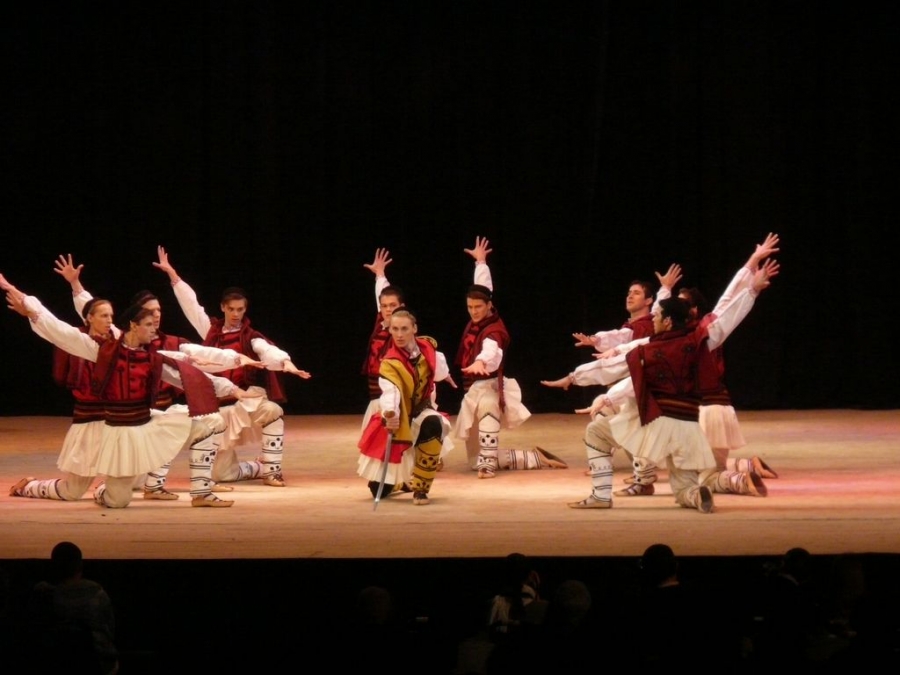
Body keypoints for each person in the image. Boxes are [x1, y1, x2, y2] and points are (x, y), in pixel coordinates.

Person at [2, 273, 258, 507]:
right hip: (111, 429)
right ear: (134, 326)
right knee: (86, 494)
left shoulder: (150, 355)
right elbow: (61, 331)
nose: (154, 329)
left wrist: (233, 379)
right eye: (148, 324)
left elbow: (186, 367)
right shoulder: (103, 351)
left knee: (210, 421)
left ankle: (201, 493)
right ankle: (37, 486)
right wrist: (28, 307)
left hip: (142, 425)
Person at [566, 243, 779, 512]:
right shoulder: (703, 334)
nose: (655, 315)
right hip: (707, 417)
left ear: (674, 317)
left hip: (685, 417)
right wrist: (751, 284)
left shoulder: (660, 346)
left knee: (617, 426)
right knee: (694, 482)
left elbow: (630, 365)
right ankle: (725, 478)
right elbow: (727, 307)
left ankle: (624, 486)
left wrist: (594, 387)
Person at [153, 246, 311, 488]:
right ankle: (257, 467)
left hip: (244, 401)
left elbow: (268, 351)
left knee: (272, 411)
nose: (236, 314)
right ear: (223, 308)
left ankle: (272, 471)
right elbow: (192, 306)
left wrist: (287, 364)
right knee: (222, 475)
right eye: (232, 309)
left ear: (245, 310)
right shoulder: (211, 331)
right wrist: (173, 275)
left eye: (240, 309)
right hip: (216, 405)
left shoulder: (251, 337)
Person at [452, 237, 561, 479]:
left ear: (489, 306)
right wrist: (481, 262)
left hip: (489, 385)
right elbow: (483, 287)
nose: (473, 311)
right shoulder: (479, 318)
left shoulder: (494, 330)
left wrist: (481, 361)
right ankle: (533, 458)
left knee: (489, 407)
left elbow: (492, 351)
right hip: (472, 390)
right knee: (472, 461)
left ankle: (489, 464)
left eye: (478, 307)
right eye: (470, 307)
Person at [8, 297, 115, 502]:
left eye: (111, 315)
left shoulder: (117, 342)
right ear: (90, 318)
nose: (110, 320)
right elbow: (54, 327)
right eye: (104, 315)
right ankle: (29, 486)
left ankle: (110, 490)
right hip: (89, 421)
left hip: (117, 423)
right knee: (72, 492)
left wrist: (75, 284)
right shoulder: (78, 341)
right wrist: (29, 309)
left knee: (132, 476)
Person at [357, 308, 454, 505]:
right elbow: (390, 392)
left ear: (414, 329)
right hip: (399, 416)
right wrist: (390, 413)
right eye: (395, 329)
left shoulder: (429, 350)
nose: (399, 334)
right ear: (390, 330)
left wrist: (445, 375)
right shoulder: (390, 363)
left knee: (434, 424)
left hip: (420, 410)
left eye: (404, 329)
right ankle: (401, 484)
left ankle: (421, 488)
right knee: (377, 489)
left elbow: (439, 372)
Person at [26, 541, 119, 674]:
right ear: (80, 566)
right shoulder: (97, 594)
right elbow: (110, 629)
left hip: (54, 663)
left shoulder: (43, 596)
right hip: (96, 664)